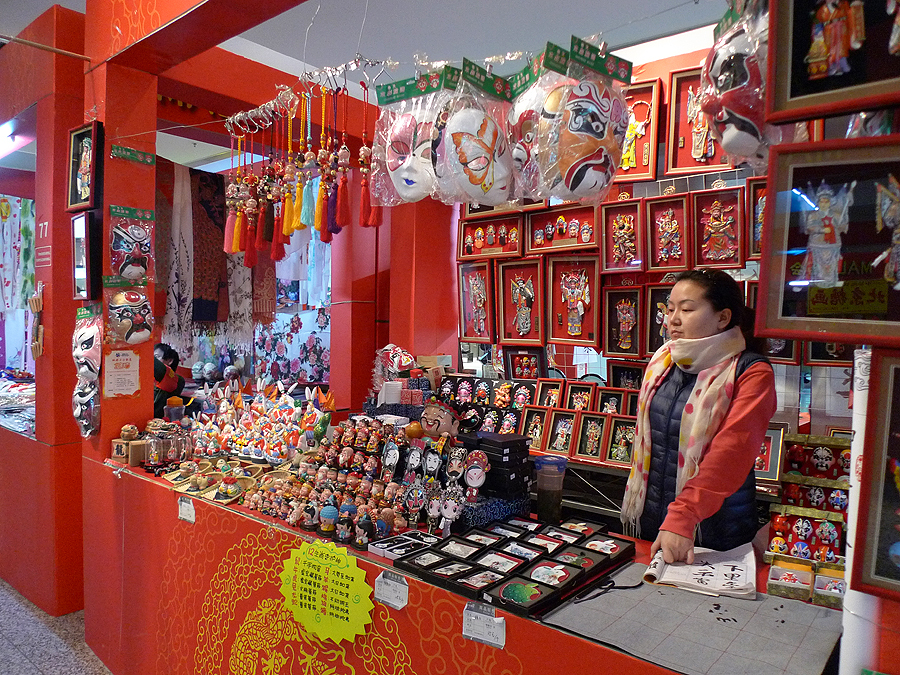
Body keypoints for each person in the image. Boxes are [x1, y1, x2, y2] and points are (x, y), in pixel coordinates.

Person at [620, 269, 776, 564]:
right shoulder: (664, 362)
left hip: (716, 531)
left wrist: (684, 515)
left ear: (723, 317)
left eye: (687, 309)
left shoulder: (751, 372)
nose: (673, 319)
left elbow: (730, 454)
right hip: (655, 519)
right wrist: (669, 519)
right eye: (670, 308)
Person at [153, 343, 185, 419]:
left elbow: (153, 363)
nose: (154, 359)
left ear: (170, 361)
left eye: (156, 357)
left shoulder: (176, 379)